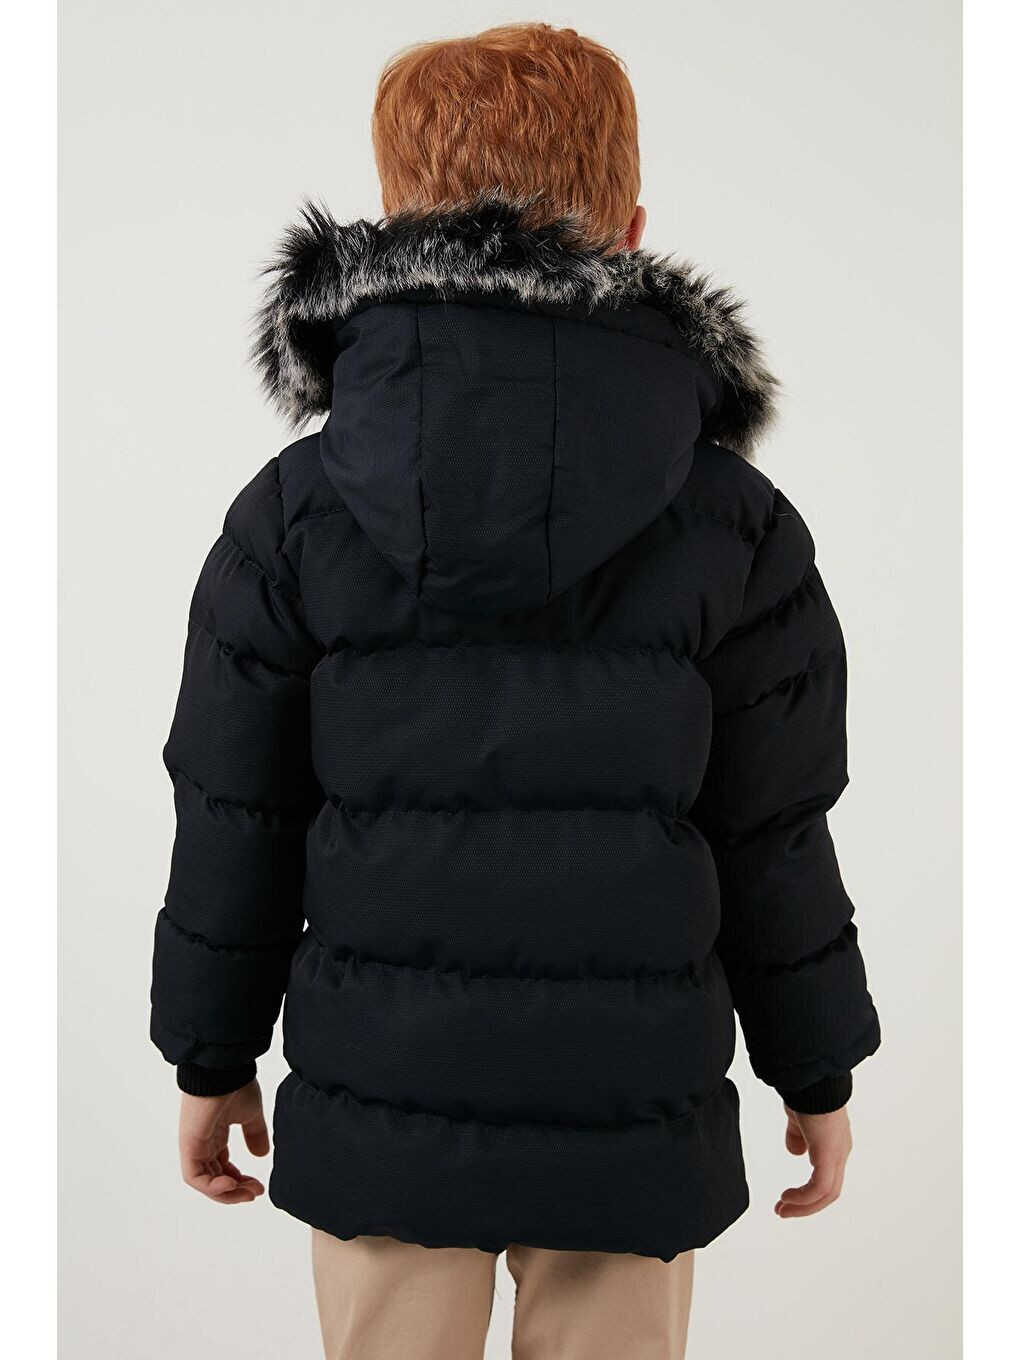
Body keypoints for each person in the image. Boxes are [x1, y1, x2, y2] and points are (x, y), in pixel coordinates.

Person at [151, 22, 880, 1359]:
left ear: (392, 224)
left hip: (382, 1103)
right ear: (634, 230)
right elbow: (775, 828)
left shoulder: (293, 516)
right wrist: (815, 1064)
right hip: (632, 1113)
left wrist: (211, 1053)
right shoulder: (736, 522)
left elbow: (233, 811)